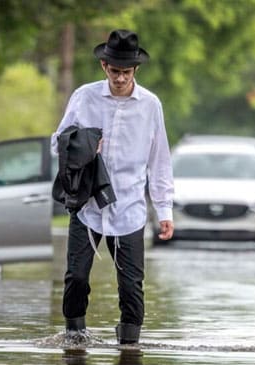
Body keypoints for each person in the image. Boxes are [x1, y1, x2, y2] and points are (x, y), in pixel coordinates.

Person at [53, 29, 174, 345]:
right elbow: (57, 142)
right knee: (77, 277)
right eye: (114, 71)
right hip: (88, 203)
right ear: (104, 67)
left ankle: (130, 350)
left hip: (129, 205)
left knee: (132, 285)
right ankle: (74, 340)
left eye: (126, 72)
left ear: (135, 70)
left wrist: (164, 209)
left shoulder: (150, 105)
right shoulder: (84, 97)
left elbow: (159, 160)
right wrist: (82, 146)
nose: (120, 78)